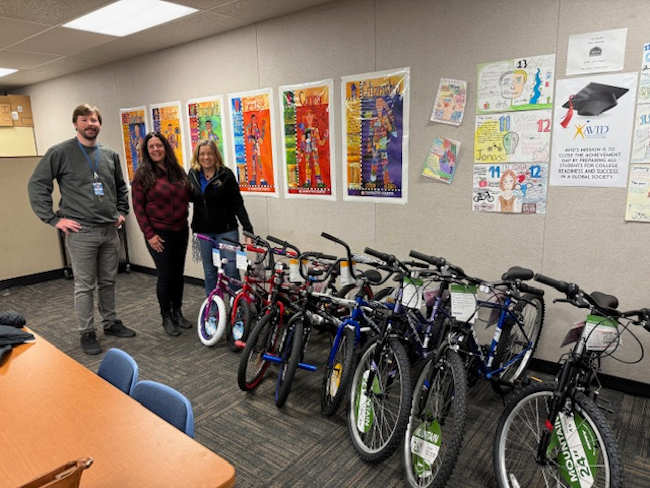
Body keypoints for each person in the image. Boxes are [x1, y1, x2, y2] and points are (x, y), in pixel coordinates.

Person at [28, 104, 135, 355]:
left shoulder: (109, 155)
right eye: (84, 120)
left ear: (100, 124)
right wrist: (53, 219)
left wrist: (122, 212)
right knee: (85, 285)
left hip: (109, 229)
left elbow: (121, 187)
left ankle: (110, 322)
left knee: (108, 280)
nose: (90, 124)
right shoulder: (60, 152)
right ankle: (87, 332)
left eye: (94, 120)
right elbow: (37, 185)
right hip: (81, 232)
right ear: (75, 124)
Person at [131, 132, 192, 336]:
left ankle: (177, 312)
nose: (156, 149)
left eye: (159, 145)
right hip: (158, 233)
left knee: (178, 274)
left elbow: (189, 194)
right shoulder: (142, 175)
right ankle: (166, 316)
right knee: (165, 275)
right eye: (152, 147)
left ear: (165, 147)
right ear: (147, 151)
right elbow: (138, 208)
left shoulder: (177, 170)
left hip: (180, 230)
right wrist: (149, 234)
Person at [188, 140, 254, 295]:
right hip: (203, 231)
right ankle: (213, 307)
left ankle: (237, 306)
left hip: (226, 231)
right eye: (202, 154)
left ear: (216, 155)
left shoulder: (226, 175)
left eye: (209, 153)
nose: (206, 157)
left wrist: (248, 230)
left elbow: (238, 203)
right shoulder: (193, 174)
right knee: (210, 272)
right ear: (197, 156)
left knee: (231, 271)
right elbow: (189, 197)